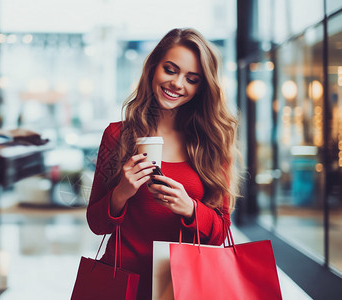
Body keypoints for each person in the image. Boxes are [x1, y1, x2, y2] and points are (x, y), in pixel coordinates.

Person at [86, 28, 240, 300]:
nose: (178, 83)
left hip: (184, 285)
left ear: (202, 87)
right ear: (153, 68)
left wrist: (190, 208)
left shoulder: (212, 142)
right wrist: (122, 191)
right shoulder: (117, 136)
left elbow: (221, 233)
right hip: (123, 281)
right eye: (170, 70)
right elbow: (96, 224)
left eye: (191, 79)